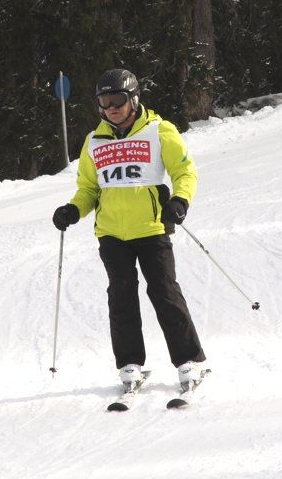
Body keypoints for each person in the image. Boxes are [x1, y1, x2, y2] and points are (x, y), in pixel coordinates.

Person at [52, 69, 206, 389]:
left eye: (117, 100)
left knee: (164, 292)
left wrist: (180, 200)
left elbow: (185, 172)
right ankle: (129, 364)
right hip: (111, 233)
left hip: (151, 228)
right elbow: (88, 189)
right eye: (104, 101)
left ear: (133, 99)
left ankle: (188, 360)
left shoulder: (159, 130)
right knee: (120, 297)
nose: (111, 108)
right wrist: (73, 210)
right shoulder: (94, 141)